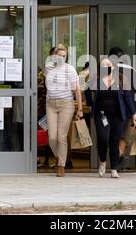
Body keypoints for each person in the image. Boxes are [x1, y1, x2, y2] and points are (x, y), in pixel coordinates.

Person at [89, 58, 136, 178]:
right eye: (104, 64)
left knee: (114, 141)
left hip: (118, 114)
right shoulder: (96, 79)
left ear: (113, 66)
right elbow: (87, 91)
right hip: (101, 114)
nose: (107, 66)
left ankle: (114, 169)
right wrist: (91, 104)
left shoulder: (121, 78)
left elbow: (127, 97)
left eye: (109, 64)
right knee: (103, 138)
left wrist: (133, 113)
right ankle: (102, 163)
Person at [45, 44, 83, 177]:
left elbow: (77, 89)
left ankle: (61, 165)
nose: (61, 58)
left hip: (66, 104)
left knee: (61, 136)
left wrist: (79, 108)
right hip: (50, 104)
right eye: (59, 55)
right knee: (52, 137)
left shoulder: (70, 69)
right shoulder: (48, 67)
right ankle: (60, 155)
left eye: (64, 56)